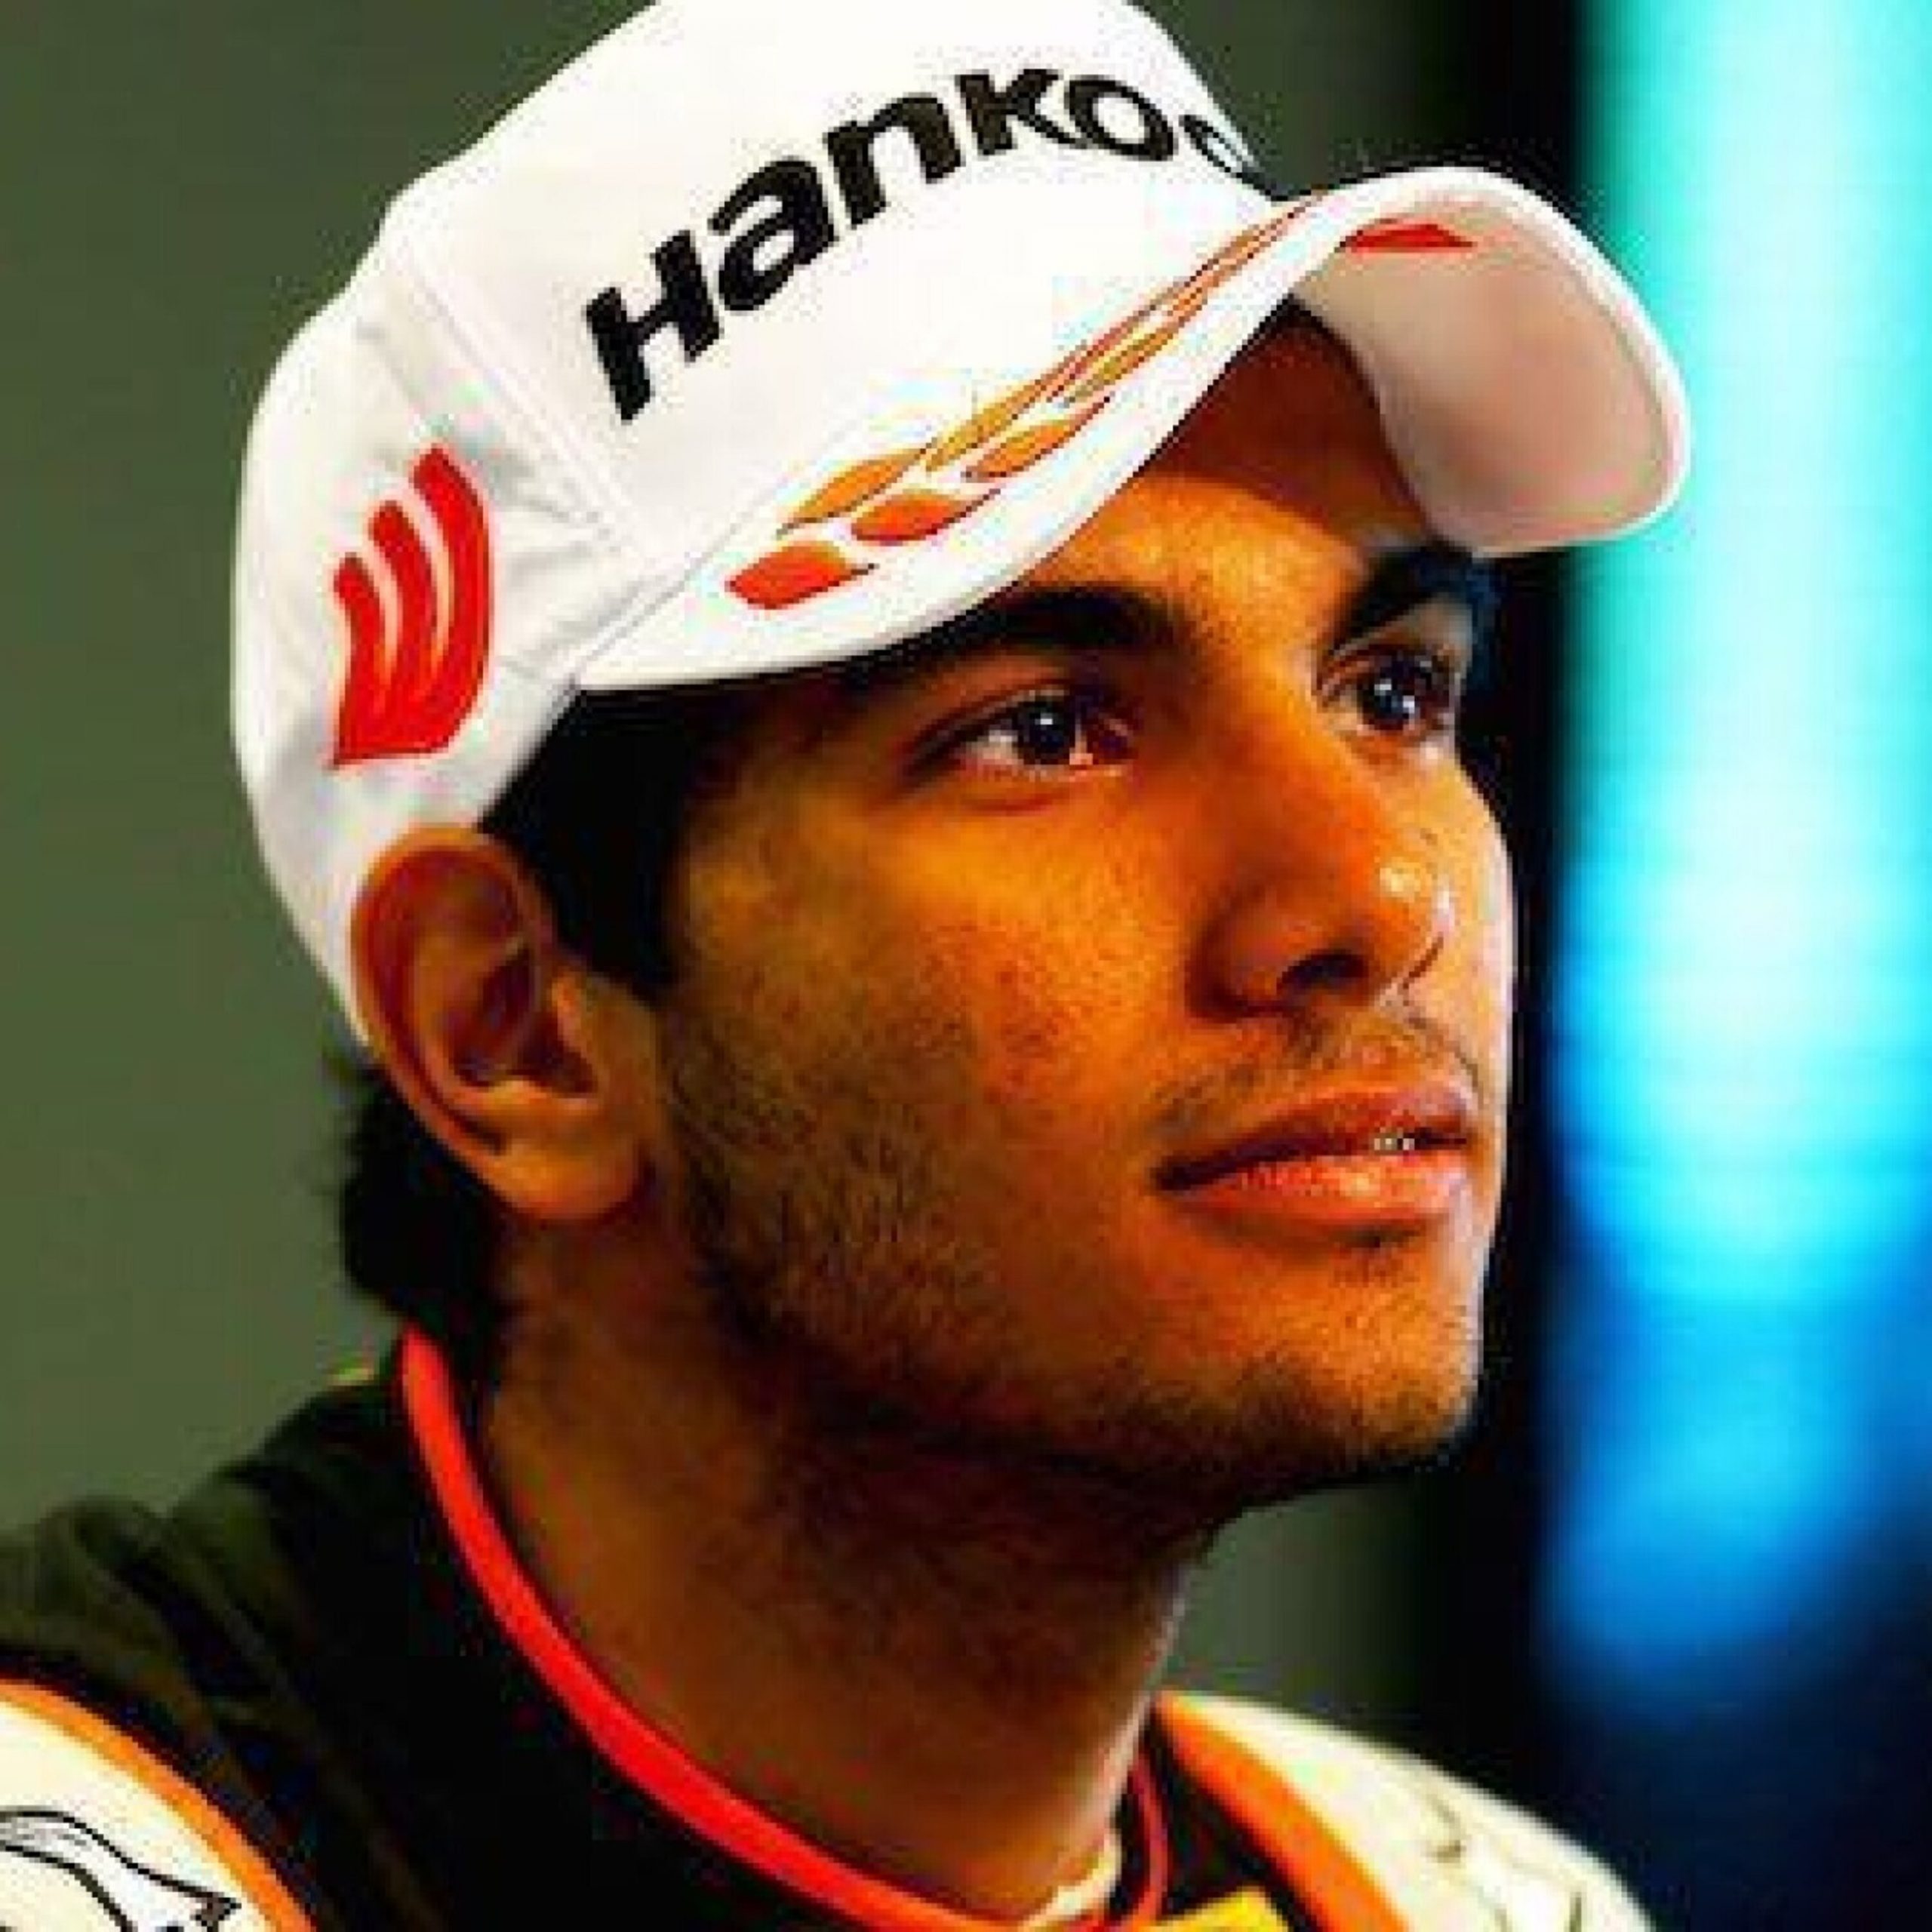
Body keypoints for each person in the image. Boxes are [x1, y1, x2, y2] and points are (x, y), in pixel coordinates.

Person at [0, 0, 1689, 1924]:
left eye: (1389, 689)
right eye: (1044, 728)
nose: (1377, 891)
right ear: (515, 1025)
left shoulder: (1458, 1897)